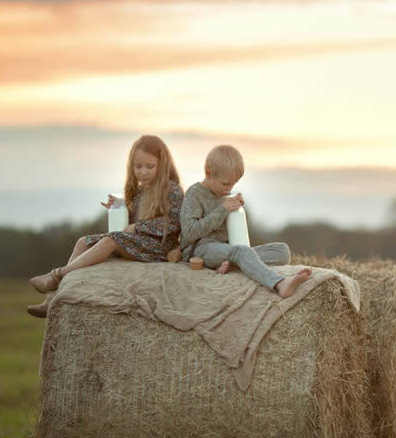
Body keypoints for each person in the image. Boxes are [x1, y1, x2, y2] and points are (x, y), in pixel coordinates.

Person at [26, 135, 185, 317]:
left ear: (162, 165)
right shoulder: (141, 191)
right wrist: (121, 209)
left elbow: (174, 222)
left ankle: (57, 276)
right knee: (83, 242)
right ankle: (53, 299)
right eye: (138, 167)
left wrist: (138, 228)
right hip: (140, 243)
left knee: (111, 241)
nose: (143, 172)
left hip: (160, 248)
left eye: (150, 167)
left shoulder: (172, 190)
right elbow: (130, 224)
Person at [179, 144, 311, 298]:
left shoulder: (223, 194)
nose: (229, 189)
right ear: (208, 174)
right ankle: (279, 284)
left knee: (282, 251)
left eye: (234, 184)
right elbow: (189, 233)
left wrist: (237, 212)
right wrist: (223, 209)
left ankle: (233, 264)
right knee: (241, 251)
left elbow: (232, 234)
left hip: (227, 249)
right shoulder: (194, 193)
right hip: (199, 249)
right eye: (226, 184)